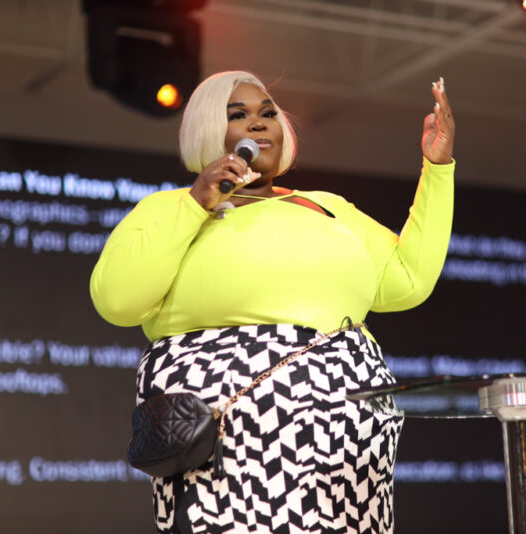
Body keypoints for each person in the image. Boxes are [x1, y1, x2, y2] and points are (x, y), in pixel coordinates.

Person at [90, 70, 455, 534]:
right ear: (207, 130)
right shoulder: (169, 208)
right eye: (237, 115)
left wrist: (437, 170)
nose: (259, 123)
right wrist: (197, 204)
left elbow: (409, 280)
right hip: (225, 439)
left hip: (346, 442)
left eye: (268, 113)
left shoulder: (326, 206)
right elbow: (118, 300)